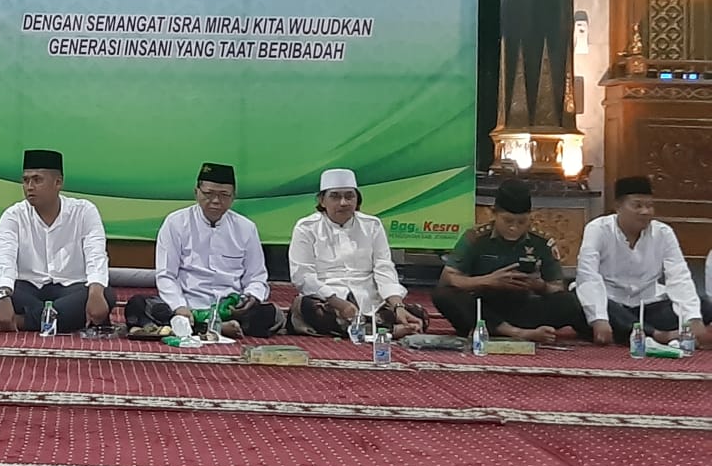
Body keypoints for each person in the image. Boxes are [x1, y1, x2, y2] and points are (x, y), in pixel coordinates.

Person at [124, 162, 284, 337]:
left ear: (233, 197)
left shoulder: (246, 228)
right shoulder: (175, 223)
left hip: (230, 308)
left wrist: (251, 297)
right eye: (209, 194)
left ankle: (196, 328)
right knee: (138, 305)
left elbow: (256, 276)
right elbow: (166, 275)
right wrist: (179, 307)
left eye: (224, 195)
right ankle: (215, 328)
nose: (215, 201)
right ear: (196, 192)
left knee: (271, 314)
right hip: (187, 306)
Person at [431, 179, 586, 344]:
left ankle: (505, 330)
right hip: (483, 307)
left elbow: (557, 287)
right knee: (444, 296)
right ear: (494, 214)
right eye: (508, 221)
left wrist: (538, 285)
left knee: (570, 302)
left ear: (530, 217)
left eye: (521, 222)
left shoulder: (541, 241)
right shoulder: (476, 237)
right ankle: (517, 333)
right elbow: (448, 278)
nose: (514, 228)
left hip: (522, 307)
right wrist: (488, 281)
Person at [0, 149, 116, 332]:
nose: (29, 187)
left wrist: (96, 291)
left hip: (71, 288)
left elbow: (96, 254)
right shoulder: (13, 215)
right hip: (28, 288)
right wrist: (3, 296)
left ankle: (21, 322)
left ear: (58, 183)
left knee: (105, 294)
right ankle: (59, 320)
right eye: (26, 180)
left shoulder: (84, 211)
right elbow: (4, 258)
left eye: (37, 180)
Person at [287, 168, 427, 338]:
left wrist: (398, 306)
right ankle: (387, 331)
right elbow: (303, 276)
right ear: (322, 201)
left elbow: (384, 268)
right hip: (328, 299)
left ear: (357, 200)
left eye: (349, 196)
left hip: (369, 298)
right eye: (335, 197)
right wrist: (339, 304)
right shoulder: (306, 227)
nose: (343, 203)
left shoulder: (372, 225)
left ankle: (369, 328)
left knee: (418, 313)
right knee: (307, 307)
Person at [575, 175, 712, 348]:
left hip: (647, 306)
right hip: (610, 305)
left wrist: (693, 318)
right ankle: (657, 334)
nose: (645, 212)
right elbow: (588, 275)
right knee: (578, 303)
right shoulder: (597, 229)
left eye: (649, 206)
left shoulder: (663, 233)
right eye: (637, 205)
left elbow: (679, 276)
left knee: (704, 306)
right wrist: (599, 318)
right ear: (618, 206)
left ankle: (633, 331)